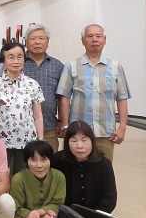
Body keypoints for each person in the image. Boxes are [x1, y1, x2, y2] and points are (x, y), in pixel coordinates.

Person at [56, 24, 131, 161]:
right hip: (77, 133)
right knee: (74, 168)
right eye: (90, 36)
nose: (94, 39)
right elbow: (64, 98)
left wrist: (122, 127)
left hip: (105, 132)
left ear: (105, 40)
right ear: (83, 40)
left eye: (98, 36)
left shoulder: (115, 67)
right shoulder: (71, 66)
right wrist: (65, 125)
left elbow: (122, 98)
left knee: (103, 168)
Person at [0, 42, 44, 176]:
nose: (15, 61)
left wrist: (40, 140)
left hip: (26, 141)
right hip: (0, 141)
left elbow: (38, 116)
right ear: (3, 61)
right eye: (10, 57)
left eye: (19, 57)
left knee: (22, 178)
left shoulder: (32, 84)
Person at [8, 140, 66, 218]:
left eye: (44, 159)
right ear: (26, 161)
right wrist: (31, 215)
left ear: (50, 160)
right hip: (25, 217)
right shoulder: (18, 179)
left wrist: (39, 213)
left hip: (45, 215)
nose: (39, 165)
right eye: (33, 160)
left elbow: (58, 203)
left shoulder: (59, 176)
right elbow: (16, 207)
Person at [51, 120, 117, 213]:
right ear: (67, 142)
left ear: (92, 141)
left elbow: (109, 199)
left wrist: (92, 216)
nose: (79, 146)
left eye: (84, 140)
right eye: (74, 140)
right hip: (64, 214)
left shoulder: (104, 164)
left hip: (95, 215)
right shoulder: (57, 161)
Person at [22, 24, 64, 152]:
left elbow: (61, 97)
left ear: (48, 42)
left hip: (49, 128)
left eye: (41, 38)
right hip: (21, 127)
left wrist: (62, 121)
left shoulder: (57, 66)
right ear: (26, 42)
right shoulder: (17, 63)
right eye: (33, 38)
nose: (37, 42)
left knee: (49, 161)